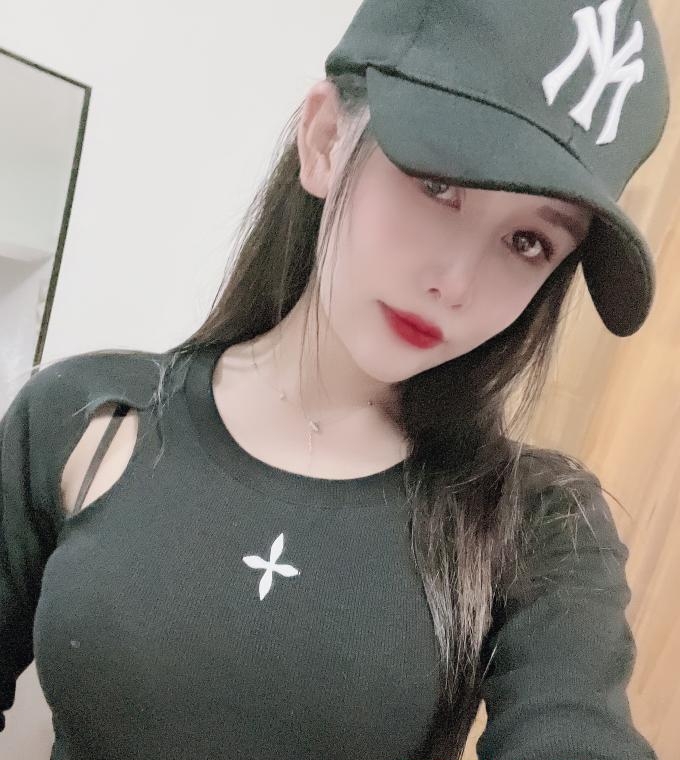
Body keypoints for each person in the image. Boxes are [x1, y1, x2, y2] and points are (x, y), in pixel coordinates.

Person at [0, 1, 671, 759]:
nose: (455, 282)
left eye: (527, 241)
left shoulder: (536, 521)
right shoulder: (85, 421)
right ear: (324, 139)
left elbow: (574, 728)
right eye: (439, 184)